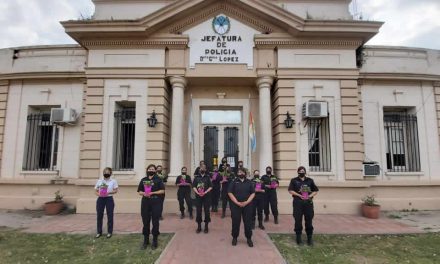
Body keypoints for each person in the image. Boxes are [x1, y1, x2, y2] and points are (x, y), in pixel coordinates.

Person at [288, 166, 319, 246]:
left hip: (308, 203)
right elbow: (290, 190)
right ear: (298, 172)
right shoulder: (294, 180)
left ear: (305, 172)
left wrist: (309, 196)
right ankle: (298, 238)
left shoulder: (310, 180)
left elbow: (315, 190)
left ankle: (309, 238)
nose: (302, 172)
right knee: (298, 220)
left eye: (303, 170)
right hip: (298, 203)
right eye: (300, 171)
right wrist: (299, 195)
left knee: (309, 220)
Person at [138, 164, 165, 249]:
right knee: (145, 221)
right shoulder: (143, 180)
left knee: (155, 221)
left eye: (153, 169)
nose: (151, 170)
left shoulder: (158, 180)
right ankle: (146, 241)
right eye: (150, 169)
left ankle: (155, 241)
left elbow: (162, 191)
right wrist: (145, 193)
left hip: (156, 201)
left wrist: (152, 193)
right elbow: (139, 191)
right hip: (145, 202)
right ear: (147, 170)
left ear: (155, 170)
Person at [228, 168, 255, 247]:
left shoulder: (249, 182)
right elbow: (229, 192)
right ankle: (235, 237)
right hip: (236, 205)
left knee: (248, 222)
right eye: (239, 172)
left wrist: (246, 202)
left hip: (247, 205)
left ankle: (249, 238)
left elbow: (253, 193)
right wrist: (237, 202)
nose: (240, 173)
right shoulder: (234, 182)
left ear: (245, 173)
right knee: (235, 222)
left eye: (242, 172)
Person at [94, 167, 118, 238]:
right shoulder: (99, 181)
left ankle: (109, 232)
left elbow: (116, 190)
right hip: (100, 199)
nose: (106, 173)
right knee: (99, 215)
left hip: (109, 199)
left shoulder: (113, 181)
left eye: (108, 172)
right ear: (103, 173)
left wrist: (108, 192)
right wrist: (99, 194)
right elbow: (95, 191)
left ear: (110, 173)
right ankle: (99, 232)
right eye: (105, 172)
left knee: (110, 215)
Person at [193, 164, 213, 233]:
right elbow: (194, 187)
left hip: (206, 197)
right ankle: (199, 226)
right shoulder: (196, 178)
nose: (202, 169)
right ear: (199, 169)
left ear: (205, 170)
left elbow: (211, 187)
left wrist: (205, 192)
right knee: (198, 211)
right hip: (198, 197)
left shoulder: (207, 177)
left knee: (207, 211)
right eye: (201, 168)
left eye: (204, 168)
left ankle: (206, 226)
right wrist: (197, 193)